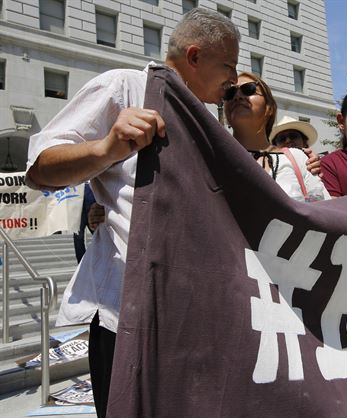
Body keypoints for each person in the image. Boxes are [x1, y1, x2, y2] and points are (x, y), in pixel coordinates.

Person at [25, 9, 240, 417]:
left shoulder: (207, 120)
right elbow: (41, 170)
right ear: (194, 56)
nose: (233, 78)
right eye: (227, 64)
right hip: (127, 317)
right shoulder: (124, 86)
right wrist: (106, 148)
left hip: (191, 319)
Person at [224, 72, 329, 202]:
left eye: (249, 89)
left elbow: (323, 211)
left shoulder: (298, 158)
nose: (238, 96)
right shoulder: (211, 159)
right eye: (230, 92)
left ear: (269, 108)